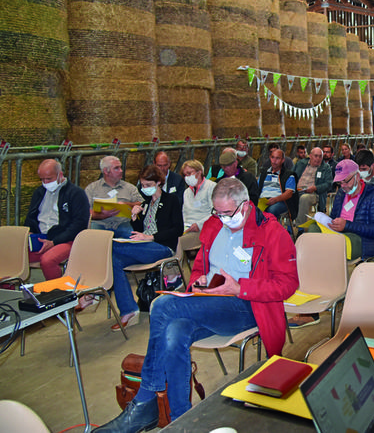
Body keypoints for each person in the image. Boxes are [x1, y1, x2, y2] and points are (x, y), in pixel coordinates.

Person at [93, 178, 298, 432]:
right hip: (209, 300)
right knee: (174, 331)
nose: (221, 218)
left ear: (245, 206)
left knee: (163, 305)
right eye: (217, 212)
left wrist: (240, 287)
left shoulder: (272, 231)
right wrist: (199, 281)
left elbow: (288, 285)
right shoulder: (214, 225)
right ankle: (181, 420)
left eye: (227, 213)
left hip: (247, 305)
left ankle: (145, 400)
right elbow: (200, 267)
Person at [290, 160, 374, 329]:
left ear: (357, 176)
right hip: (338, 237)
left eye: (346, 181)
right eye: (340, 182)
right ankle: (314, 298)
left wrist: (347, 225)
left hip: (360, 240)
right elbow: (334, 216)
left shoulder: (373, 196)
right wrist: (329, 222)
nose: (343, 185)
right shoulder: (341, 194)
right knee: (312, 229)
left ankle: (319, 299)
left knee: (320, 249)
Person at [109, 165, 184, 331]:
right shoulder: (146, 203)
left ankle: (94, 295)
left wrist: (150, 237)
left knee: (111, 246)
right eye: (142, 185)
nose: (145, 189)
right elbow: (141, 229)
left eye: (148, 185)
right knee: (115, 259)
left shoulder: (171, 200)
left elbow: (177, 229)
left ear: (158, 183)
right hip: (144, 246)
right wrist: (134, 217)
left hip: (162, 247)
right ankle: (129, 310)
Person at [25, 159, 89, 280]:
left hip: (66, 240)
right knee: (10, 255)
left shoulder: (76, 193)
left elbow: (79, 224)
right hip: (40, 238)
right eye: (42, 179)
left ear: (60, 175)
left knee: (47, 261)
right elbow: (31, 217)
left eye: (49, 179)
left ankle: (57, 294)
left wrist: (54, 242)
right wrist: (29, 232)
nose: (45, 182)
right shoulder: (39, 192)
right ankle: (8, 291)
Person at [86, 156, 142, 238]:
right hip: (100, 224)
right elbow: (85, 211)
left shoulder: (130, 188)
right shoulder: (92, 188)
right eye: (116, 168)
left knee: (132, 240)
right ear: (106, 171)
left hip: (123, 223)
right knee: (94, 242)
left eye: (121, 167)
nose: (121, 171)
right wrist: (101, 215)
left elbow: (141, 203)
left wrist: (127, 204)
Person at [293, 147, 333, 225]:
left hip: (314, 193)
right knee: (288, 196)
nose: (318, 158)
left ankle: (300, 226)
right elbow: (291, 175)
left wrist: (315, 188)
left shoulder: (325, 168)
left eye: (320, 156)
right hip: (297, 190)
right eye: (316, 156)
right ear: (310, 156)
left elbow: (328, 184)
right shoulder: (301, 164)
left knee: (304, 198)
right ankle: (289, 227)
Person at [258, 148, 297, 221]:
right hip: (263, 200)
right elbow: (257, 189)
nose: (274, 161)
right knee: (251, 210)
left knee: (271, 211)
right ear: (270, 158)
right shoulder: (263, 174)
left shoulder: (288, 175)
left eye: (277, 158)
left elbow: (289, 193)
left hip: (280, 201)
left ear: (283, 160)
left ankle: (271, 231)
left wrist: (275, 199)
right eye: (272, 157)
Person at [181, 159, 217, 235]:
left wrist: (199, 225)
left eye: (189, 173)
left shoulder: (211, 187)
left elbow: (215, 212)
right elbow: (184, 213)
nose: (187, 177)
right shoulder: (187, 192)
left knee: (180, 242)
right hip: (187, 228)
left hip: (204, 227)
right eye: (185, 175)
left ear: (199, 172)